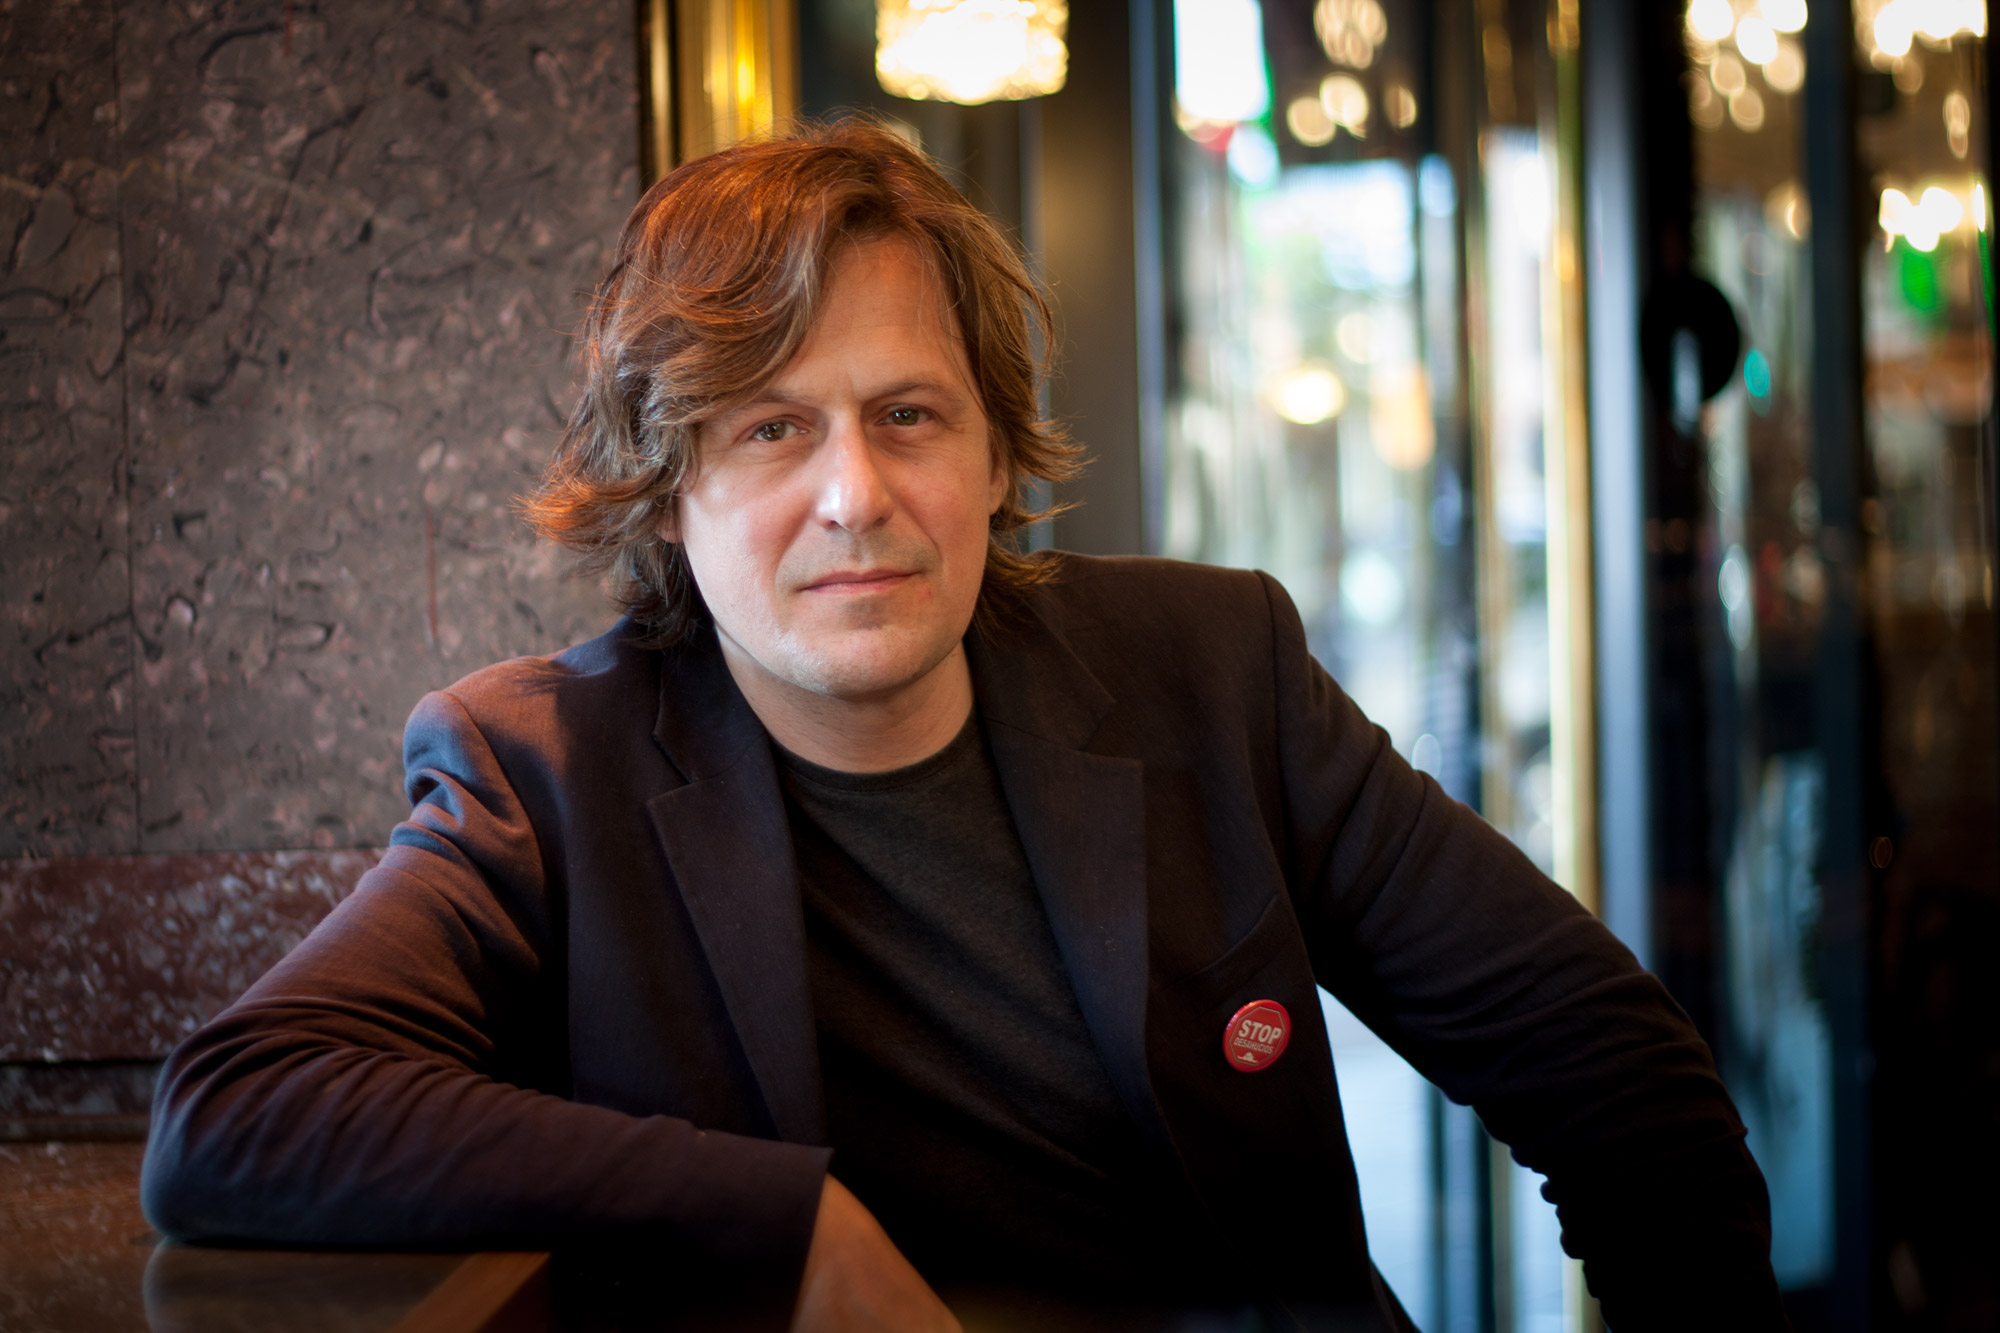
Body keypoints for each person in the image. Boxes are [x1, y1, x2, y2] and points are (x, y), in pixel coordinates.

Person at [142, 120, 1787, 1331]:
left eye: (908, 413)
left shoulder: (1209, 669)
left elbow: (1616, 1073)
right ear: (667, 490)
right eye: (771, 428)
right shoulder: (543, 772)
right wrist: (783, 1223)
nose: (854, 493)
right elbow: (240, 1105)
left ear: (997, 456)